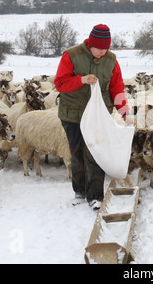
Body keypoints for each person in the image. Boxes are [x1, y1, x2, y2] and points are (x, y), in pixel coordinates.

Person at [54, 24, 130, 211]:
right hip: (73, 114)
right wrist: (80, 79)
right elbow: (60, 83)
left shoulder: (111, 60)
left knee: (96, 153)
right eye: (99, 48)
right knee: (77, 153)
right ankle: (79, 192)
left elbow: (117, 88)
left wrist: (125, 113)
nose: (103, 52)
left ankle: (95, 196)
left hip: (98, 116)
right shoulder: (71, 55)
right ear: (90, 43)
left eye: (106, 48)